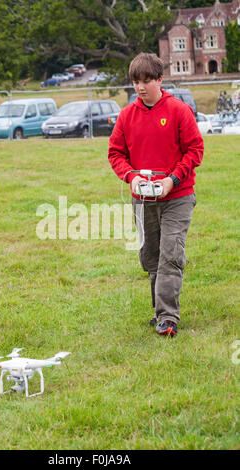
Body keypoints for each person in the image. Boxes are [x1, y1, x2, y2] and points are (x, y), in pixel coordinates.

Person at [108, 53, 204, 337]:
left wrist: (172, 180)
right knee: (150, 257)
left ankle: (167, 318)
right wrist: (131, 176)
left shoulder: (179, 110)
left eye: (146, 81)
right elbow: (115, 153)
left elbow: (195, 150)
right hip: (143, 199)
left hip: (178, 196)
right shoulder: (127, 116)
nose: (140, 87)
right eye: (136, 81)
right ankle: (158, 311)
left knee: (170, 254)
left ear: (160, 80)